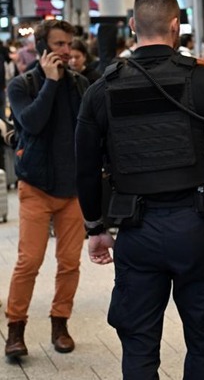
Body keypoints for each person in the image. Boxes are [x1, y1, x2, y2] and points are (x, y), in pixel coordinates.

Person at [75, 0, 204, 379]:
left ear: (132, 26)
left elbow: (86, 167)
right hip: (196, 227)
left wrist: (95, 227)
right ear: (176, 26)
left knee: (139, 342)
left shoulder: (101, 90)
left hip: (136, 230)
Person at [5, 19, 90, 358]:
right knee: (29, 261)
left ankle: (60, 322)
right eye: (58, 45)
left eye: (68, 44)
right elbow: (32, 124)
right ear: (42, 48)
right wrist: (51, 84)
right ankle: (15, 328)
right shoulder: (20, 85)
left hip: (73, 190)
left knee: (69, 263)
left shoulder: (82, 84)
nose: (66, 51)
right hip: (36, 187)